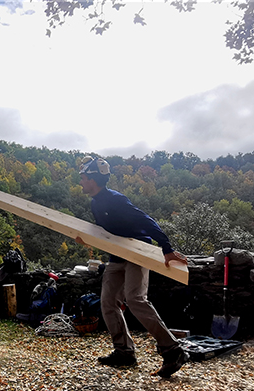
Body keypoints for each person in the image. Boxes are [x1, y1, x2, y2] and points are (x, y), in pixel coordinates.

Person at [75, 156, 189, 378]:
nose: (80, 182)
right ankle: (124, 351)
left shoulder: (116, 200)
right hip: (116, 257)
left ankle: (173, 350)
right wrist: (88, 240)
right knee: (108, 302)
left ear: (93, 180)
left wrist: (166, 248)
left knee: (135, 299)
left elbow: (147, 221)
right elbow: (105, 232)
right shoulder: (94, 203)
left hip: (137, 252)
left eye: (83, 178)